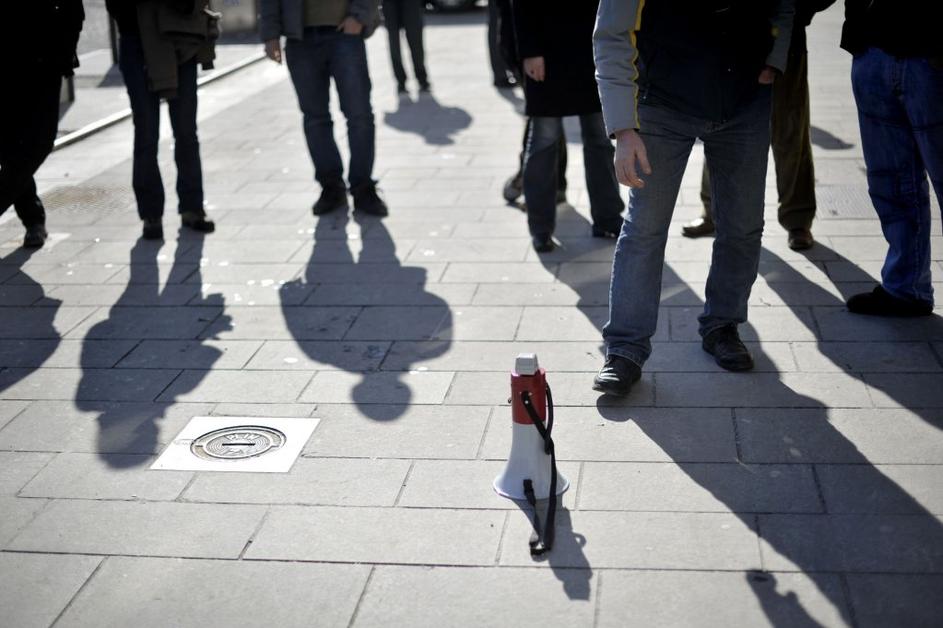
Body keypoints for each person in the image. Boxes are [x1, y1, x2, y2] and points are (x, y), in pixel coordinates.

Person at [592, 0, 795, 395]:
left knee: (742, 225)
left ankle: (723, 325)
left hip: (746, 99)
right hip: (661, 102)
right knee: (644, 229)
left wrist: (775, 57)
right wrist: (623, 129)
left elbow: (785, 4)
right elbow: (611, 35)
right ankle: (625, 349)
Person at [682, 0, 835, 252]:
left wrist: (798, 11)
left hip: (785, 39)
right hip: (729, 39)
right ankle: (711, 210)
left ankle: (797, 219)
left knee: (789, 132)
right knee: (719, 124)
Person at [841, 0, 943, 317]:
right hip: (873, 47)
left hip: (931, 52)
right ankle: (905, 287)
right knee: (892, 183)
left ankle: (906, 287)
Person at [513, 0, 625, 253]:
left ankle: (608, 217)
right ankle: (540, 227)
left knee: (600, 139)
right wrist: (529, 50)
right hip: (546, 52)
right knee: (543, 143)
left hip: (593, 50)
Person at [260, 0, 388, 217]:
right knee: (315, 118)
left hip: (345, 33)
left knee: (360, 115)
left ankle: (363, 187)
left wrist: (359, 16)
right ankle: (331, 187)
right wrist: (270, 34)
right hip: (299, 38)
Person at [106, 0, 218, 241]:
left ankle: (192, 207)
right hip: (137, 41)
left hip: (179, 38)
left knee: (186, 131)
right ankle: (151, 214)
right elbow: (116, 8)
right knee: (146, 132)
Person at [0, 1, 84, 249]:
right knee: (11, 145)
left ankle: (33, 217)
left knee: (40, 142)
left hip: (47, 60)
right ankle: (33, 218)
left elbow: (73, 10)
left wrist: (64, 50)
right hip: (9, 59)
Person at [382, 0, 429, 94]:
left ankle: (422, 78)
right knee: (394, 44)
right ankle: (400, 81)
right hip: (389, 3)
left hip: (411, 3)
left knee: (416, 41)